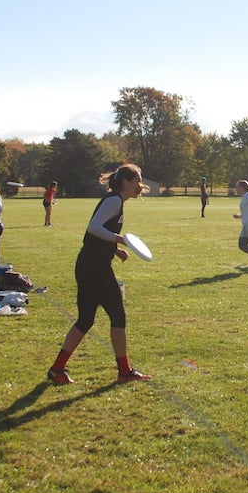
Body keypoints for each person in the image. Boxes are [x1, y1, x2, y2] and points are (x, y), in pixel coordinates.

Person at [45, 163, 150, 385]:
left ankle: (57, 369)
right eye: (136, 181)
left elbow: (97, 235)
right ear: (125, 183)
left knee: (85, 320)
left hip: (88, 265)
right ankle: (124, 372)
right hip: (96, 268)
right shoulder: (114, 201)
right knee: (118, 316)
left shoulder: (116, 201)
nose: (139, 185)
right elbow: (93, 227)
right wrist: (118, 239)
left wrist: (114, 249)